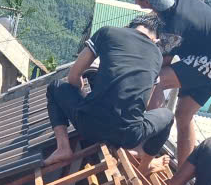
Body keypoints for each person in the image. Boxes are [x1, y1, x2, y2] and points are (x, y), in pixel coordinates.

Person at [126, 0, 211, 175]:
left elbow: (161, 63)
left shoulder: (176, 25)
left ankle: (144, 145)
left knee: (157, 81)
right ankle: (185, 175)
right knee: (184, 114)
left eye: (144, 0)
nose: (141, 3)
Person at [44, 13, 173, 170]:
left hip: (89, 125)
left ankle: (63, 147)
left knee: (55, 86)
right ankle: (146, 165)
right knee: (168, 116)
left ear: (130, 26)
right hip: (127, 136)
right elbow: (144, 104)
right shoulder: (157, 56)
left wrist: (84, 97)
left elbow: (73, 77)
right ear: (156, 40)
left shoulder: (108, 32)